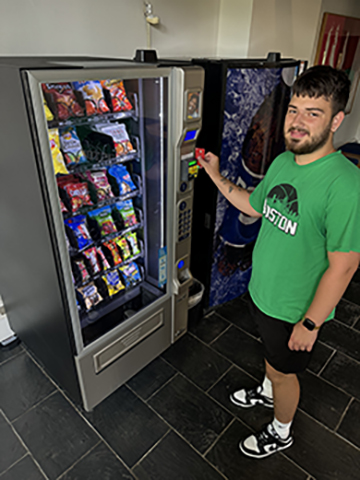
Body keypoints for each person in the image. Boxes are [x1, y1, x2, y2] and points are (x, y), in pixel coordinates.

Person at [198, 65, 360, 459]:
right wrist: (216, 176)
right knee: (273, 363)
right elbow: (253, 205)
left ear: (337, 120)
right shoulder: (285, 162)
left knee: (285, 373)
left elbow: (345, 266)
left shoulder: (346, 186)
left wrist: (310, 323)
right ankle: (267, 387)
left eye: (313, 113)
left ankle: (281, 429)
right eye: (293, 109)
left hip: (294, 311)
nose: (297, 122)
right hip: (263, 294)